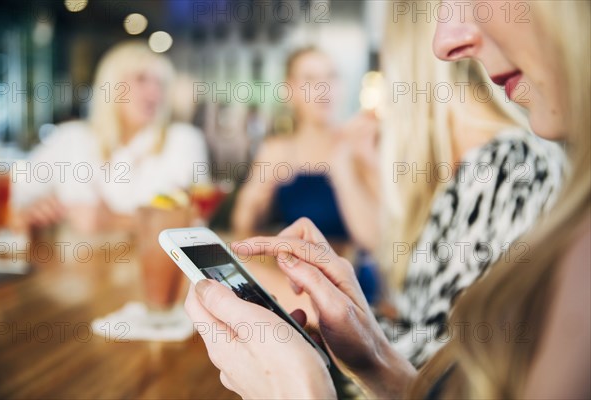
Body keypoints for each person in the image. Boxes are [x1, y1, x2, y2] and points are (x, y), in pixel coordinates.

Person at [184, 1, 589, 398]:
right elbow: (435, 365)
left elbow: (383, 251)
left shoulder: (506, 170)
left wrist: (299, 389)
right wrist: (371, 355)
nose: (447, 42)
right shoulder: (478, 174)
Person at [12, 41, 208, 233]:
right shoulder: (70, 138)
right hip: (73, 264)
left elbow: (195, 223)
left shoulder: (183, 140)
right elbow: (11, 198)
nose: (154, 92)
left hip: (147, 265)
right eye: (141, 79)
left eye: (160, 83)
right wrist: (29, 214)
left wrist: (113, 220)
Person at [231, 47, 350, 242]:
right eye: (310, 79)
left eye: (331, 76)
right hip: (296, 268)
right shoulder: (276, 150)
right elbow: (242, 225)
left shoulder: (360, 147)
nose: (323, 88)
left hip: (352, 269)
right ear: (289, 90)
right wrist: (258, 195)